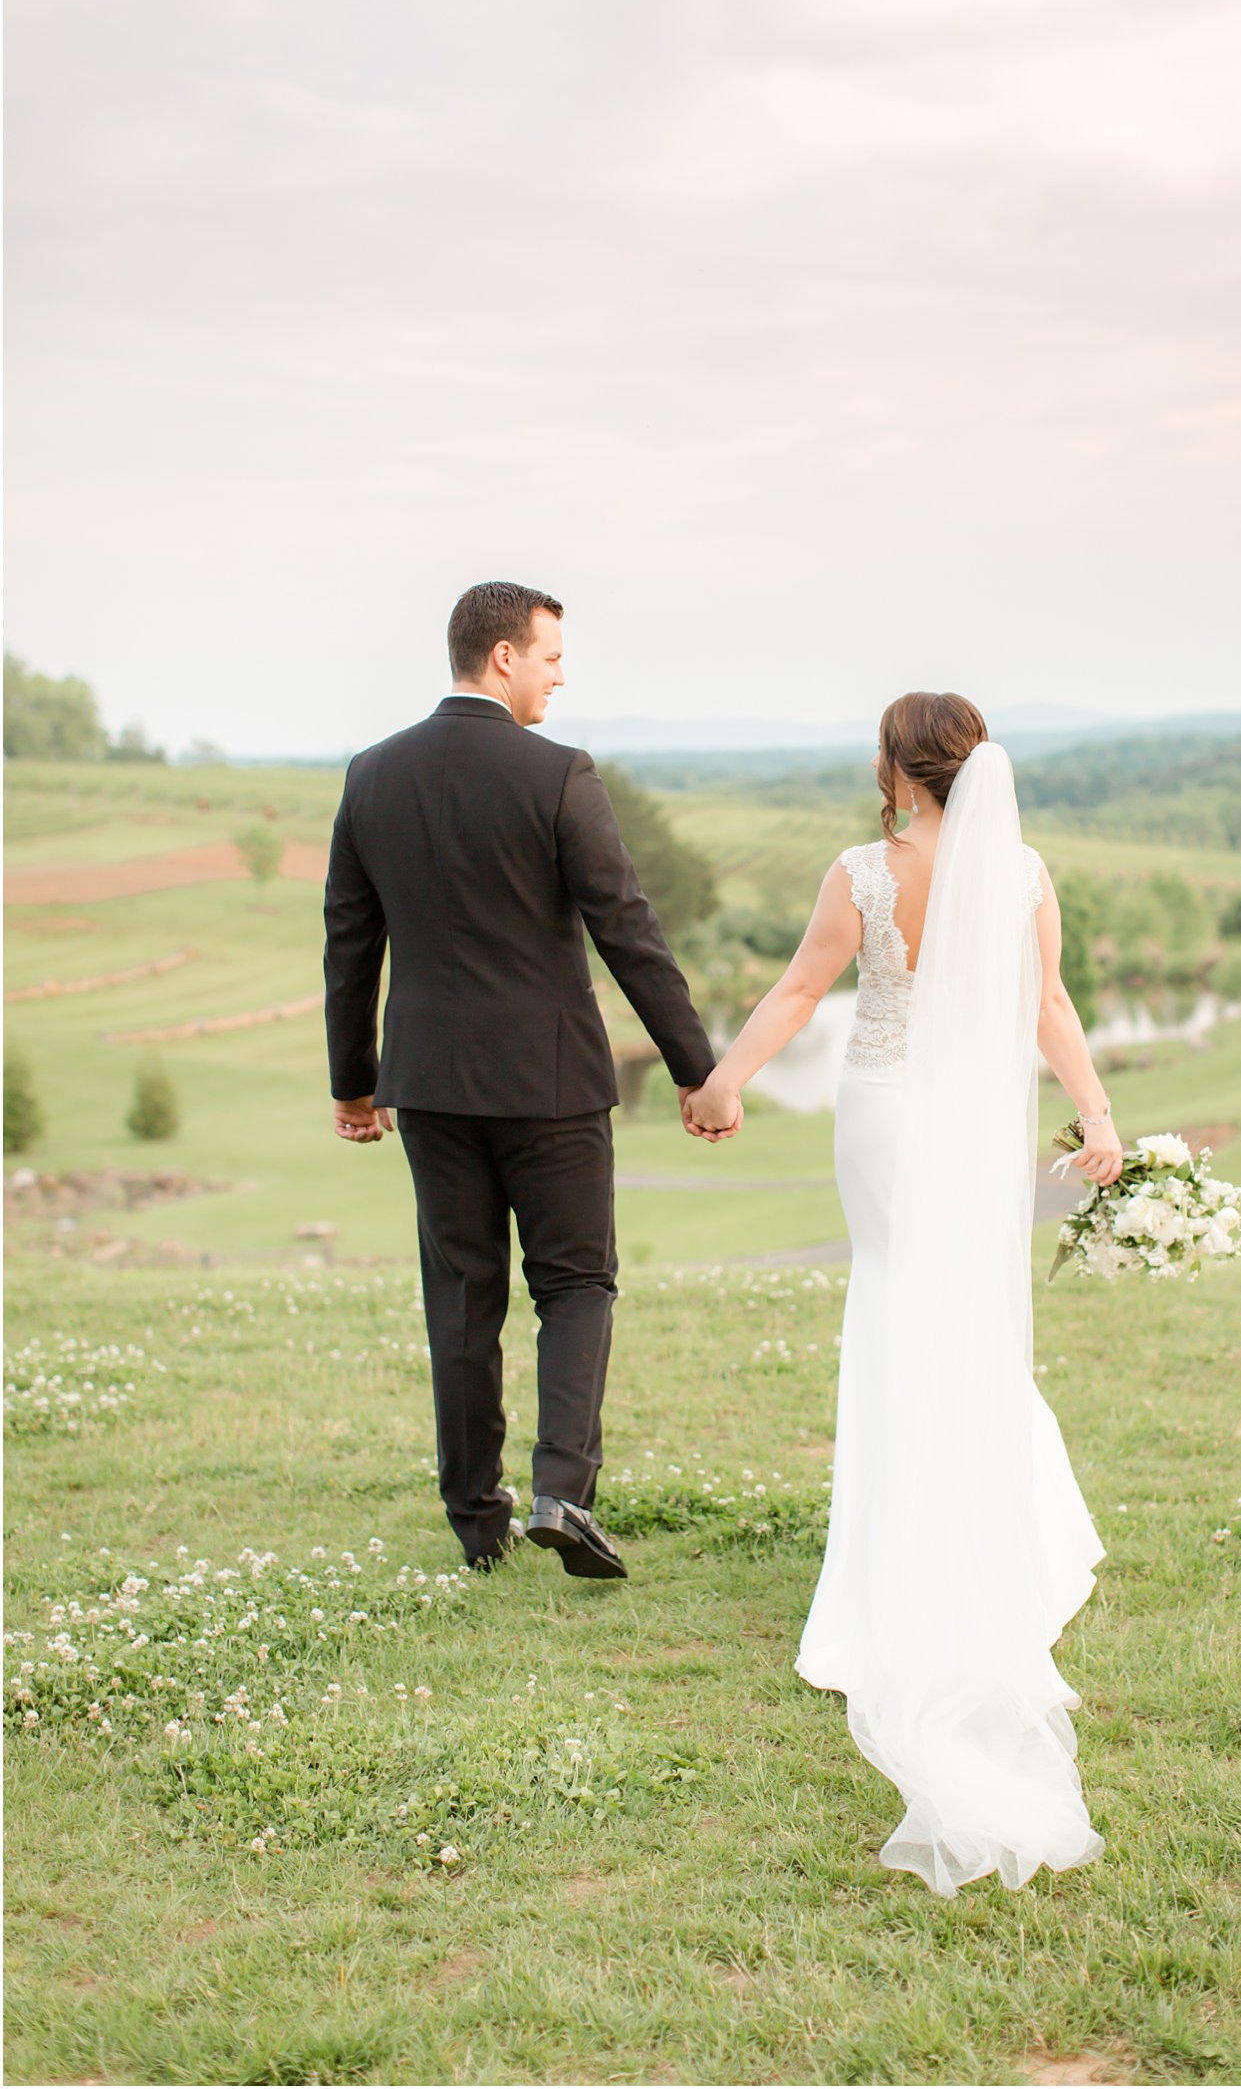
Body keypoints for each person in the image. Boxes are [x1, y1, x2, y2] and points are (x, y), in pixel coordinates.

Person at [684, 691, 1122, 1895]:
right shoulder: (1021, 871)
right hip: (977, 1128)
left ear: (894, 768)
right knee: (965, 1321)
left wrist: (720, 1084)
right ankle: (996, 1547)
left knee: (891, 1309)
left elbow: (794, 995)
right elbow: (1046, 1008)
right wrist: (1095, 1115)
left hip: (882, 1115)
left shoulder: (859, 874)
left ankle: (891, 1575)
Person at [323, 581, 733, 1580]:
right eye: (550, 655)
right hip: (548, 1080)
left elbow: (349, 941)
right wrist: (696, 1069)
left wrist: (355, 1082)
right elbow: (624, 927)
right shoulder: (558, 775)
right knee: (575, 1281)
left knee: (461, 1295)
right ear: (501, 656)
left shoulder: (371, 775)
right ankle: (559, 1491)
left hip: (426, 1083)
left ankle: (475, 1518)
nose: (560, 673)